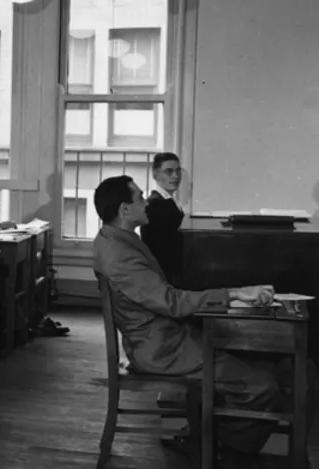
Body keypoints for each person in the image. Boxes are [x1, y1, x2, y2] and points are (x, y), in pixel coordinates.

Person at [92, 175, 281, 464]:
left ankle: (205, 438)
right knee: (263, 385)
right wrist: (232, 294)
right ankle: (228, 452)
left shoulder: (115, 238)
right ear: (124, 210)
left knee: (254, 364)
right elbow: (170, 302)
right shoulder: (119, 253)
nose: (147, 203)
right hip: (161, 349)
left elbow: (164, 297)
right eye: (140, 197)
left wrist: (229, 297)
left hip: (166, 338)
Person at [140, 153, 187, 284]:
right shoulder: (155, 205)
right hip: (163, 276)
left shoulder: (169, 201)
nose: (175, 176)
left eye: (178, 171)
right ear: (155, 175)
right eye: (169, 171)